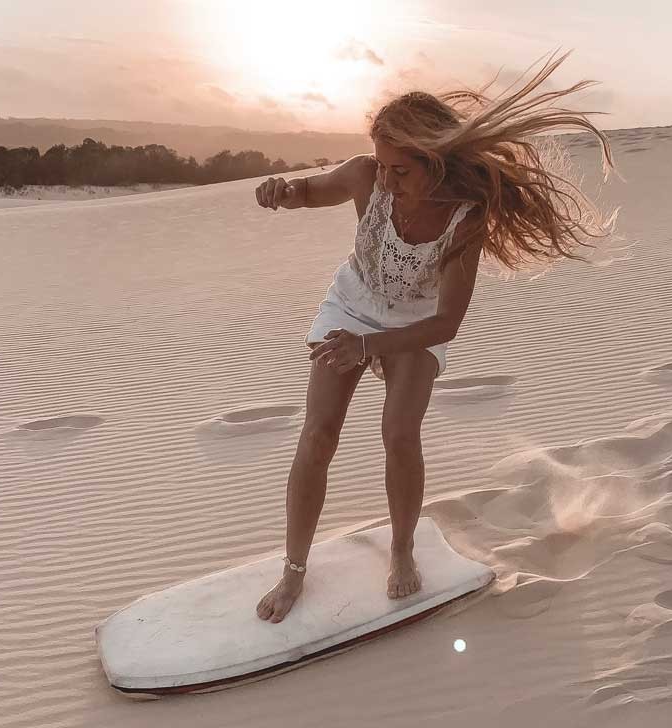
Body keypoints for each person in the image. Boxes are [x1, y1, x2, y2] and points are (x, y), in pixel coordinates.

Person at [253, 49, 617, 623]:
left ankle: (401, 549)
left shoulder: (464, 218)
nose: (388, 181)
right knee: (319, 434)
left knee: (398, 433)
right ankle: (293, 569)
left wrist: (369, 348)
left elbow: (447, 322)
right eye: (383, 166)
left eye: (402, 170)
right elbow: (310, 190)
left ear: (434, 162)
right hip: (352, 301)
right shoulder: (365, 176)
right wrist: (282, 190)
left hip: (417, 321)